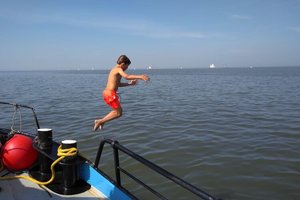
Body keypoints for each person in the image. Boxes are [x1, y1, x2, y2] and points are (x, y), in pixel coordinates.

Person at [94, 55, 150, 131]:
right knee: (118, 113)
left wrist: (129, 84)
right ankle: (100, 121)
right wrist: (140, 77)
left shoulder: (114, 70)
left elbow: (118, 84)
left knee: (117, 112)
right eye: (126, 66)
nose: (126, 68)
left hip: (107, 93)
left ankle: (102, 121)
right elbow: (127, 76)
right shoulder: (118, 69)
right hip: (110, 94)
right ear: (122, 64)